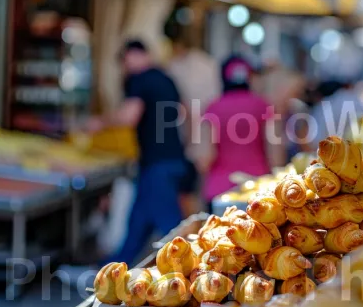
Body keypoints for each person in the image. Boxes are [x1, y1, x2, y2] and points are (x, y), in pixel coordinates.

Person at [88, 40, 195, 265]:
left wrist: (100, 122)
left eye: (124, 62)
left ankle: (194, 271)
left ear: (131, 56)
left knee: (173, 232)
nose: (125, 69)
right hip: (172, 160)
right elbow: (186, 114)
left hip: (157, 164)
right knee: (138, 225)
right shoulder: (167, 78)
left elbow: (129, 116)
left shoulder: (139, 79)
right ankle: (112, 269)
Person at [196, 55, 285, 212]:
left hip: (220, 193)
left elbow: (205, 158)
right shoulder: (265, 106)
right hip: (259, 191)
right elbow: (276, 157)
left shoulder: (212, 108)